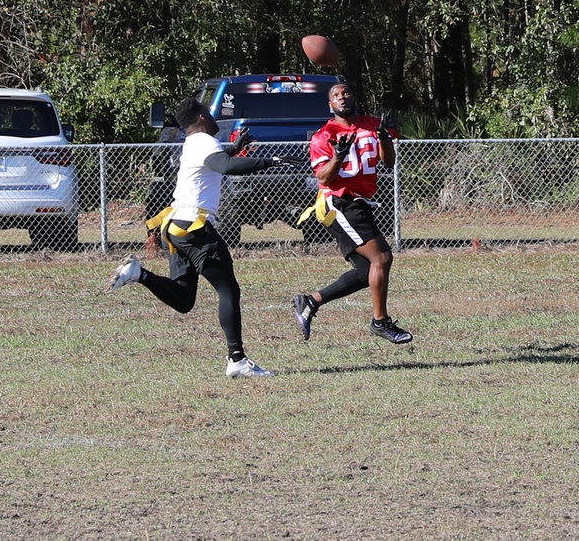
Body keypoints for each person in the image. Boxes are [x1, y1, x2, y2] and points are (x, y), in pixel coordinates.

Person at [108, 97, 301, 378]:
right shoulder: (205, 142)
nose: (213, 119)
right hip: (194, 230)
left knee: (184, 299)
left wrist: (235, 148)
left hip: (174, 227)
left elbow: (214, 162)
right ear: (200, 117)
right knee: (228, 290)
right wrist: (269, 160)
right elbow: (224, 166)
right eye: (209, 114)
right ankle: (237, 360)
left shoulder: (193, 142)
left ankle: (140, 274)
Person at [293, 82, 412, 344]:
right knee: (381, 257)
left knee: (364, 271)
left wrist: (383, 139)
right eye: (336, 95)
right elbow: (323, 177)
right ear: (330, 105)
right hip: (338, 201)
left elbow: (388, 162)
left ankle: (310, 302)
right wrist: (337, 157)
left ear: (353, 96)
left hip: (358, 202)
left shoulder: (371, 125)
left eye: (346, 92)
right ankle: (380, 322)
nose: (342, 97)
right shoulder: (324, 135)